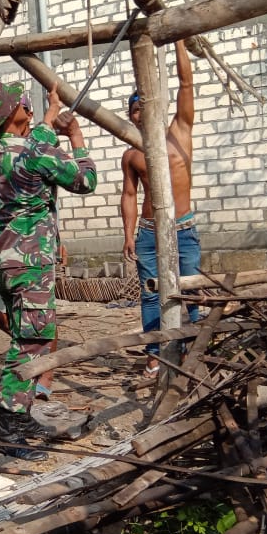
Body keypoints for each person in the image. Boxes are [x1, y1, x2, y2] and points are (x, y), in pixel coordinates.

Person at [0, 80, 97, 461]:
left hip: (9, 259)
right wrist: (77, 138)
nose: (28, 104)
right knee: (31, 343)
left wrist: (51, 113)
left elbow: (35, 137)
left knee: (27, 337)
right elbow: (85, 180)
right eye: (23, 102)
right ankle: (8, 428)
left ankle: (21, 415)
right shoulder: (36, 153)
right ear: (15, 113)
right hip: (30, 263)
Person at [120, 39, 199, 381]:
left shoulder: (179, 132)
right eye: (135, 109)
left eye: (145, 106)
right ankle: (154, 355)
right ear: (130, 117)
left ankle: (192, 348)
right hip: (150, 233)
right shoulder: (131, 154)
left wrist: (178, 39)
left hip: (183, 229)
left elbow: (186, 83)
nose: (141, 113)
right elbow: (129, 195)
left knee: (190, 290)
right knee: (151, 294)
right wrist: (128, 235)